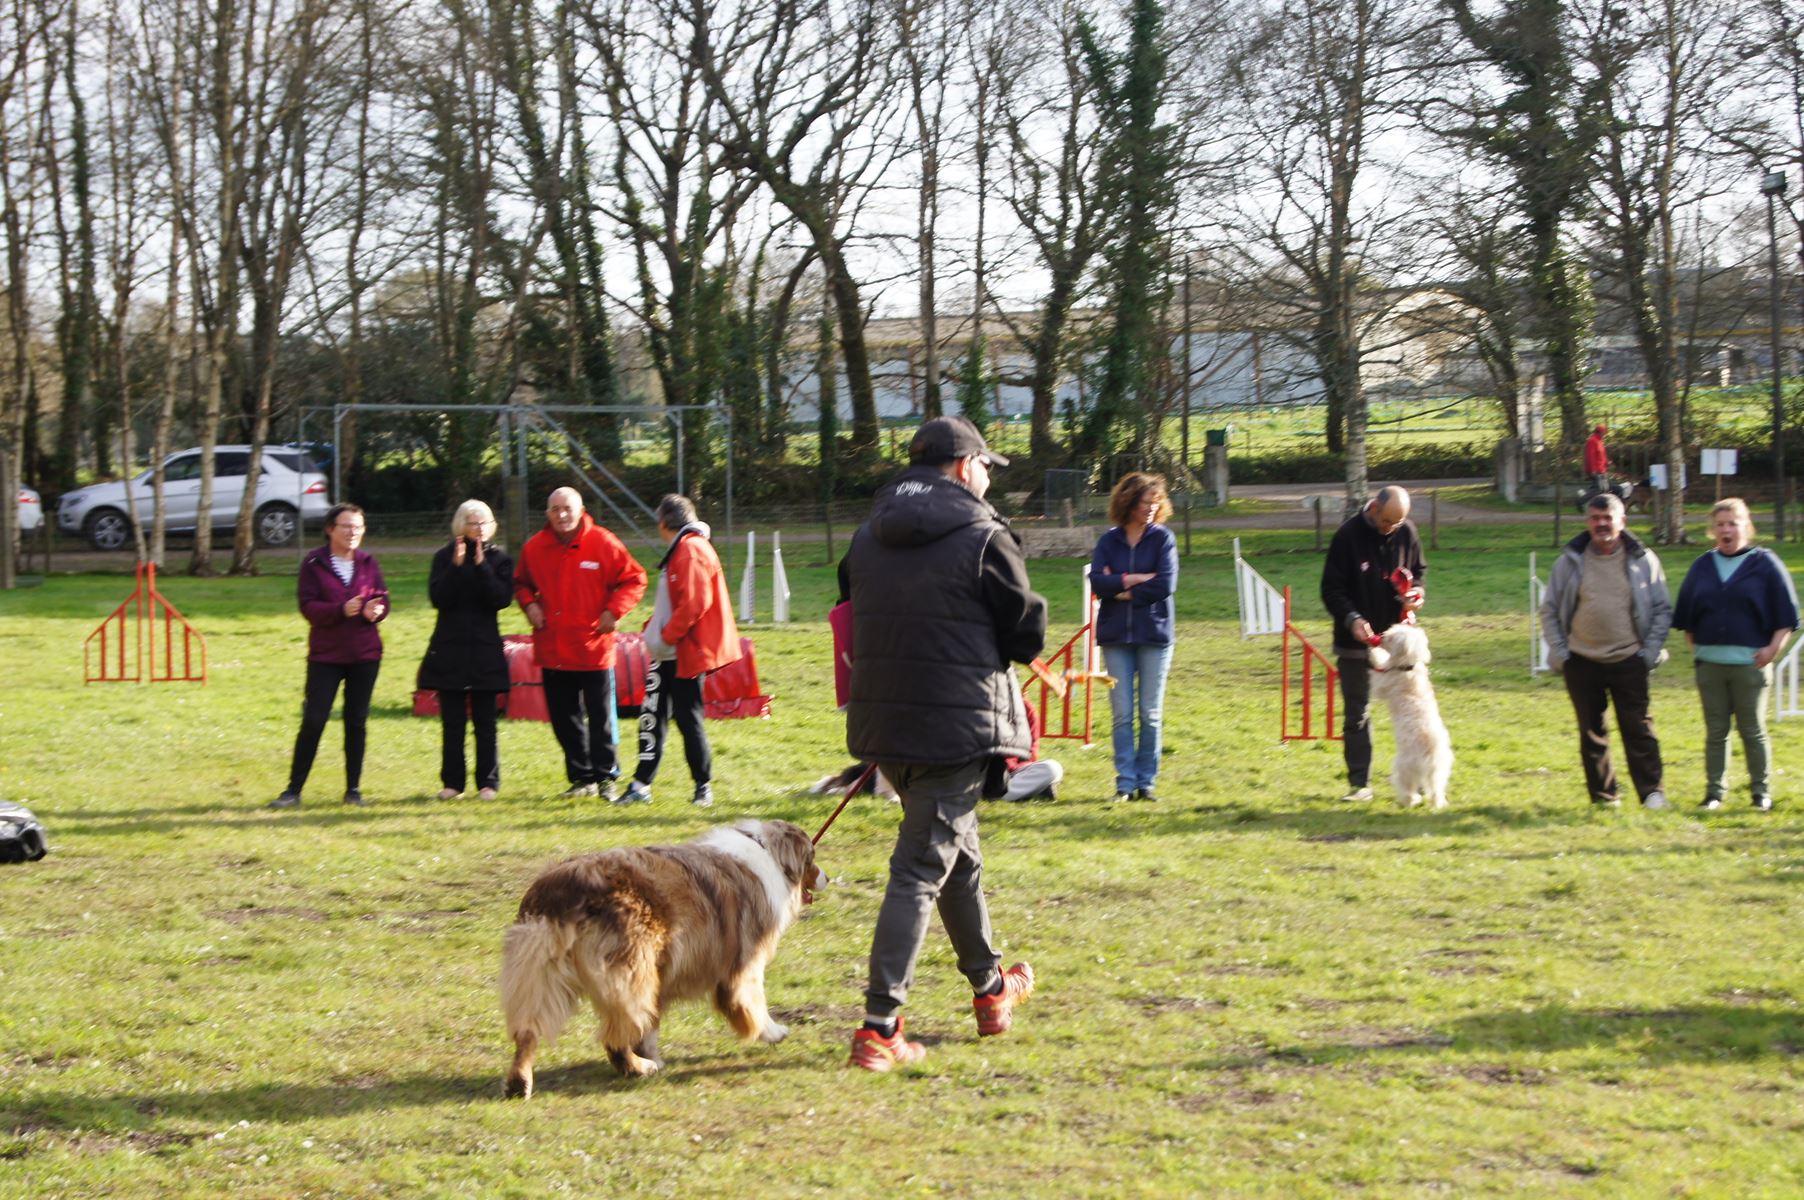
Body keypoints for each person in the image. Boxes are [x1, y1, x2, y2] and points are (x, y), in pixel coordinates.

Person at [840, 415, 1048, 1072]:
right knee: (920, 870)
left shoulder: (868, 535)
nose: (989, 478)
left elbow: (848, 603)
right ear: (964, 467)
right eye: (987, 466)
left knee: (959, 858)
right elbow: (1027, 635)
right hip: (955, 727)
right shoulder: (984, 535)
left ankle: (990, 991)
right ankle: (880, 1026)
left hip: (886, 724)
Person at [1539, 492, 1673, 809]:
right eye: (1595, 518)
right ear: (1588, 522)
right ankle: (1604, 796)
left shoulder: (1643, 559)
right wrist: (1561, 653)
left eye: (1608, 518)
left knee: (1639, 729)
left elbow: (1662, 609)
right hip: (1581, 661)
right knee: (1591, 733)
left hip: (1630, 659)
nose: (1601, 524)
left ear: (1622, 521)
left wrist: (1649, 653)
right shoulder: (1569, 561)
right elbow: (1549, 610)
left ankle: (1652, 793)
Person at [514, 487, 647, 801]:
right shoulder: (535, 548)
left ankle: (605, 778)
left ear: (581, 509)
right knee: (564, 718)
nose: (561, 515)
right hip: (553, 648)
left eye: (567, 508)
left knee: (601, 718)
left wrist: (614, 611)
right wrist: (528, 605)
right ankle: (580, 778)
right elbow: (520, 582)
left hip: (593, 647)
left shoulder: (603, 542)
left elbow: (634, 579)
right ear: (547, 513)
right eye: (555, 509)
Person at [1672, 498, 1799, 812]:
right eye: (1720, 524)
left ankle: (1761, 793)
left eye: (1733, 523)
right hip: (1710, 665)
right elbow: (1687, 615)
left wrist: (1772, 650)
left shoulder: (1765, 563)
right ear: (1712, 530)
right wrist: (1698, 651)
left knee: (1752, 729)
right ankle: (1714, 793)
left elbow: (1786, 617)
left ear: (1747, 526)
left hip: (1750, 665)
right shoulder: (1703, 565)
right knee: (1716, 731)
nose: (1726, 530)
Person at [618, 494, 740, 808]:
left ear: (663, 522)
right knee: (653, 717)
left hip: (682, 653)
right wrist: (653, 628)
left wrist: (666, 636)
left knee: (687, 719)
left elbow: (696, 603)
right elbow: (674, 602)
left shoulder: (690, 550)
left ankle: (702, 787)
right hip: (671, 652)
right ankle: (642, 784)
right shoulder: (688, 547)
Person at [271, 504, 388, 808]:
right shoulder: (314, 563)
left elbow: (384, 599)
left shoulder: (368, 562)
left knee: (356, 722)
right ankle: (293, 791)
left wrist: (376, 611)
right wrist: (340, 610)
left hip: (365, 654)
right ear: (330, 529)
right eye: (347, 526)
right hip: (326, 656)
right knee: (314, 719)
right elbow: (307, 607)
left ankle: (353, 791)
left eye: (358, 527)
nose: (353, 533)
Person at [1319, 486, 1427, 802]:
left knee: (1414, 713)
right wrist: (1351, 618)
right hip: (1356, 644)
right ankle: (1360, 784)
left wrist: (1416, 595)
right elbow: (1331, 589)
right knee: (1357, 713)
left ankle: (1417, 782)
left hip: (1400, 646)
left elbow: (1419, 572)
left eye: (1398, 522)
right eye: (1387, 521)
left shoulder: (1406, 530)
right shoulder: (1347, 537)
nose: (1391, 528)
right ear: (1375, 508)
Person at [1089, 472, 1179, 802]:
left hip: (1155, 634)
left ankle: (1147, 781)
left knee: (1150, 714)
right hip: (1115, 636)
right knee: (1122, 714)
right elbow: (1098, 583)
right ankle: (1124, 783)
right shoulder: (1107, 541)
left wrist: (1121, 586)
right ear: (1128, 502)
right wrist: (1138, 578)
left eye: (1156, 502)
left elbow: (1165, 585)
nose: (1152, 508)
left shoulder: (1163, 539)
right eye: (1146, 503)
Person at [419, 500, 514, 801]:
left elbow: (500, 598)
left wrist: (482, 565)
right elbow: (439, 598)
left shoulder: (499, 558)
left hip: (485, 649)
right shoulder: (444, 557)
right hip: (451, 648)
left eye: (484, 523)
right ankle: (453, 784)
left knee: (486, 722)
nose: (478, 529)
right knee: (453, 722)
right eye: (473, 523)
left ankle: (488, 783)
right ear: (461, 524)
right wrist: (457, 568)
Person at [1585, 425, 1610, 492]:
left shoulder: (1600, 441)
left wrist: (1607, 462)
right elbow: (1591, 456)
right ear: (1600, 432)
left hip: (1602, 470)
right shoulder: (1592, 441)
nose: (1605, 435)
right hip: (1596, 471)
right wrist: (1593, 470)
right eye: (1604, 433)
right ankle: (1584, 499)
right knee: (1598, 489)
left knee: (1604, 488)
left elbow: (1602, 454)